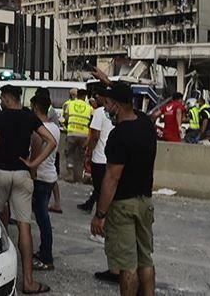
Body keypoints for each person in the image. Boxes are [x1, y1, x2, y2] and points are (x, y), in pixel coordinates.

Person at [0, 84, 57, 295]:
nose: (0, 101)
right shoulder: (29, 117)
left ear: (6, 98)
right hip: (22, 175)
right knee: (24, 227)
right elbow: (50, 141)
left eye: (1, 98)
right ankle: (29, 281)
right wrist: (34, 163)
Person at [90, 81, 157, 296]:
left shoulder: (119, 135)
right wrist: (110, 83)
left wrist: (100, 214)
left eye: (108, 104)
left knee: (127, 265)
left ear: (117, 106)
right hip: (145, 201)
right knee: (145, 260)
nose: (106, 107)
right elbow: (127, 99)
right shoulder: (145, 124)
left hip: (123, 206)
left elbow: (112, 178)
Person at [30, 94, 62, 272]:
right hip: (50, 175)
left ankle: (46, 257)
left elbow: (34, 153)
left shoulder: (39, 130)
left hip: (40, 177)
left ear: (35, 107)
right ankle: (43, 251)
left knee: (42, 219)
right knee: (43, 218)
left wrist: (31, 170)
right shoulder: (55, 128)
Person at [79, 84, 115, 214]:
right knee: (106, 188)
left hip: (99, 158)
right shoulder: (116, 114)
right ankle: (92, 206)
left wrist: (88, 153)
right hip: (112, 158)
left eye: (97, 96)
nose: (95, 98)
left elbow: (95, 136)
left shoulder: (99, 112)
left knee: (99, 188)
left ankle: (100, 215)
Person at [65, 89, 93, 183]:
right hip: (84, 135)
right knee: (81, 156)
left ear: (77, 95)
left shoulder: (70, 104)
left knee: (70, 154)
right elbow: (91, 122)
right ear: (85, 97)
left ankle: (70, 175)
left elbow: (66, 117)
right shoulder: (89, 107)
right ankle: (80, 176)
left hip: (72, 133)